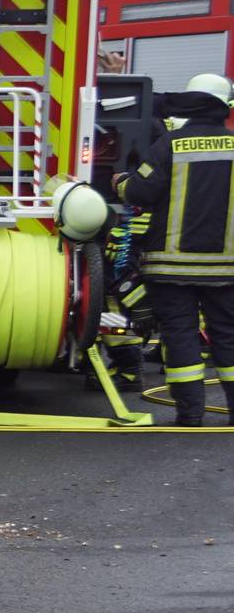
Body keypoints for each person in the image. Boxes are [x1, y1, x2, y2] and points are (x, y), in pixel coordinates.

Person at [111, 73, 234, 426]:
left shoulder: (171, 144)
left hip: (171, 266)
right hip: (226, 268)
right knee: (227, 335)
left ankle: (190, 414)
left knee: (179, 334)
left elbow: (141, 193)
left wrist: (121, 184)